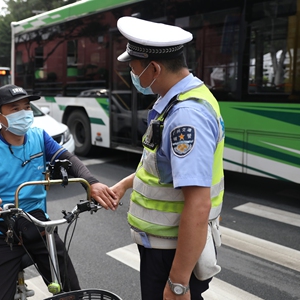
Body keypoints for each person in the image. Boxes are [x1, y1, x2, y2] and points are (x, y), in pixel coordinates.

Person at [0, 84, 119, 300]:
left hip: (39, 227)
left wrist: (91, 182)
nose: (24, 114)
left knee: (72, 293)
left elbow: (68, 159)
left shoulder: (39, 137)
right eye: (15, 109)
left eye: (26, 107)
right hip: (1, 232)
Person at [110, 17, 225, 300]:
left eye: (133, 67)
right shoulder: (180, 100)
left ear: (155, 68)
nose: (131, 73)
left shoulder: (186, 116)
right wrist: (125, 184)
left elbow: (198, 205)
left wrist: (178, 283)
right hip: (163, 247)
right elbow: (163, 169)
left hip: (170, 252)